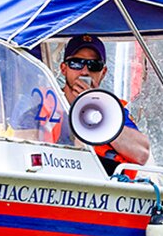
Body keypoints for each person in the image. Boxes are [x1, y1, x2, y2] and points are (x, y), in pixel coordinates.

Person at [59, 34, 150, 174]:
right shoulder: (46, 104)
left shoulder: (112, 109)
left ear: (103, 72)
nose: (85, 71)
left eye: (94, 65)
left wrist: (93, 109)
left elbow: (142, 154)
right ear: (64, 69)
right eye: (76, 63)